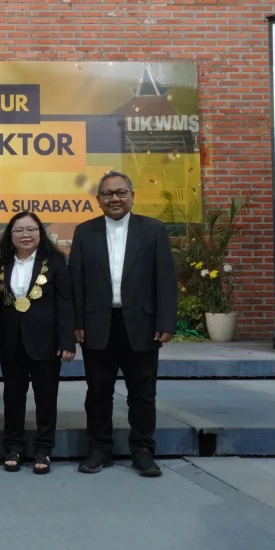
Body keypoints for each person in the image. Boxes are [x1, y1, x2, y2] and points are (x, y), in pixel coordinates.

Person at [69, 170, 177, 478]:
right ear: (98, 199)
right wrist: (76, 322)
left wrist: (166, 321)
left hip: (142, 325)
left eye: (120, 192)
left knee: (142, 394)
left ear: (131, 195)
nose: (114, 198)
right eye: (107, 194)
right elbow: (76, 282)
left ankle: (143, 451)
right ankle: (99, 448)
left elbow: (165, 279)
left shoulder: (153, 230)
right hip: (96, 324)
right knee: (98, 392)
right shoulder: (84, 231)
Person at [0, 212, 75, 475]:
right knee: (12, 399)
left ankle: (43, 449)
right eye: (19, 230)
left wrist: (67, 341)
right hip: (11, 343)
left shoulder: (56, 262)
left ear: (40, 233)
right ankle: (13, 448)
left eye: (31, 229)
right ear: (10, 235)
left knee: (46, 399)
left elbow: (64, 302)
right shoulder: (1, 264)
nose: (25, 235)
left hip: (46, 343)